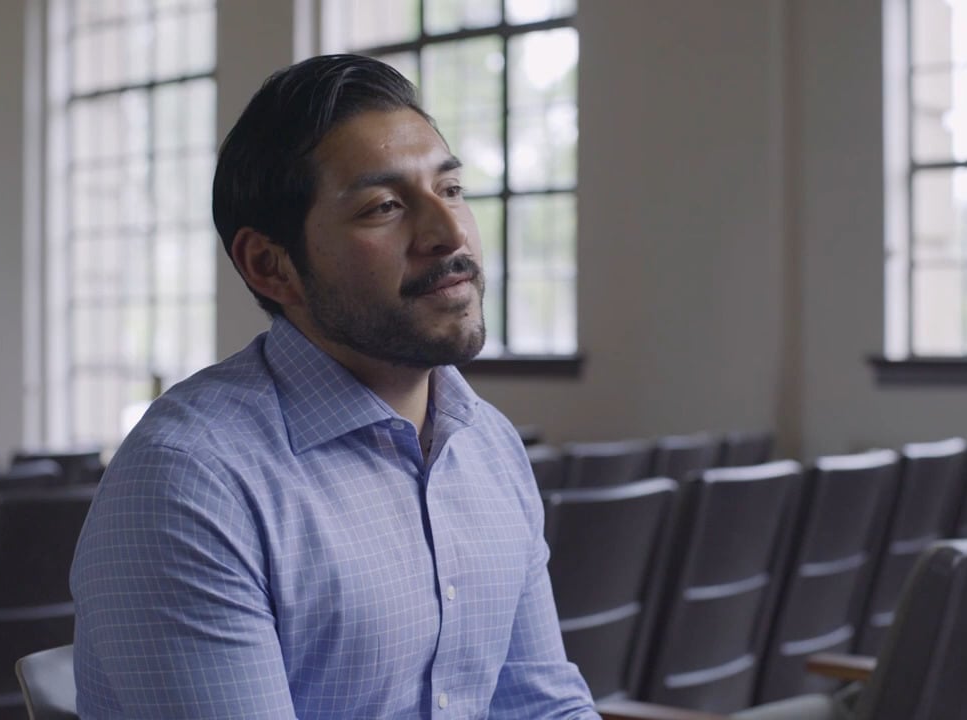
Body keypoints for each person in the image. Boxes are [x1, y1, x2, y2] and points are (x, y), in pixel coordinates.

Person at [70, 54, 599, 719]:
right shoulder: (190, 481)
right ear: (271, 267)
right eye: (384, 206)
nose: (449, 232)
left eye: (452, 189)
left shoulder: (488, 444)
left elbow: (540, 708)